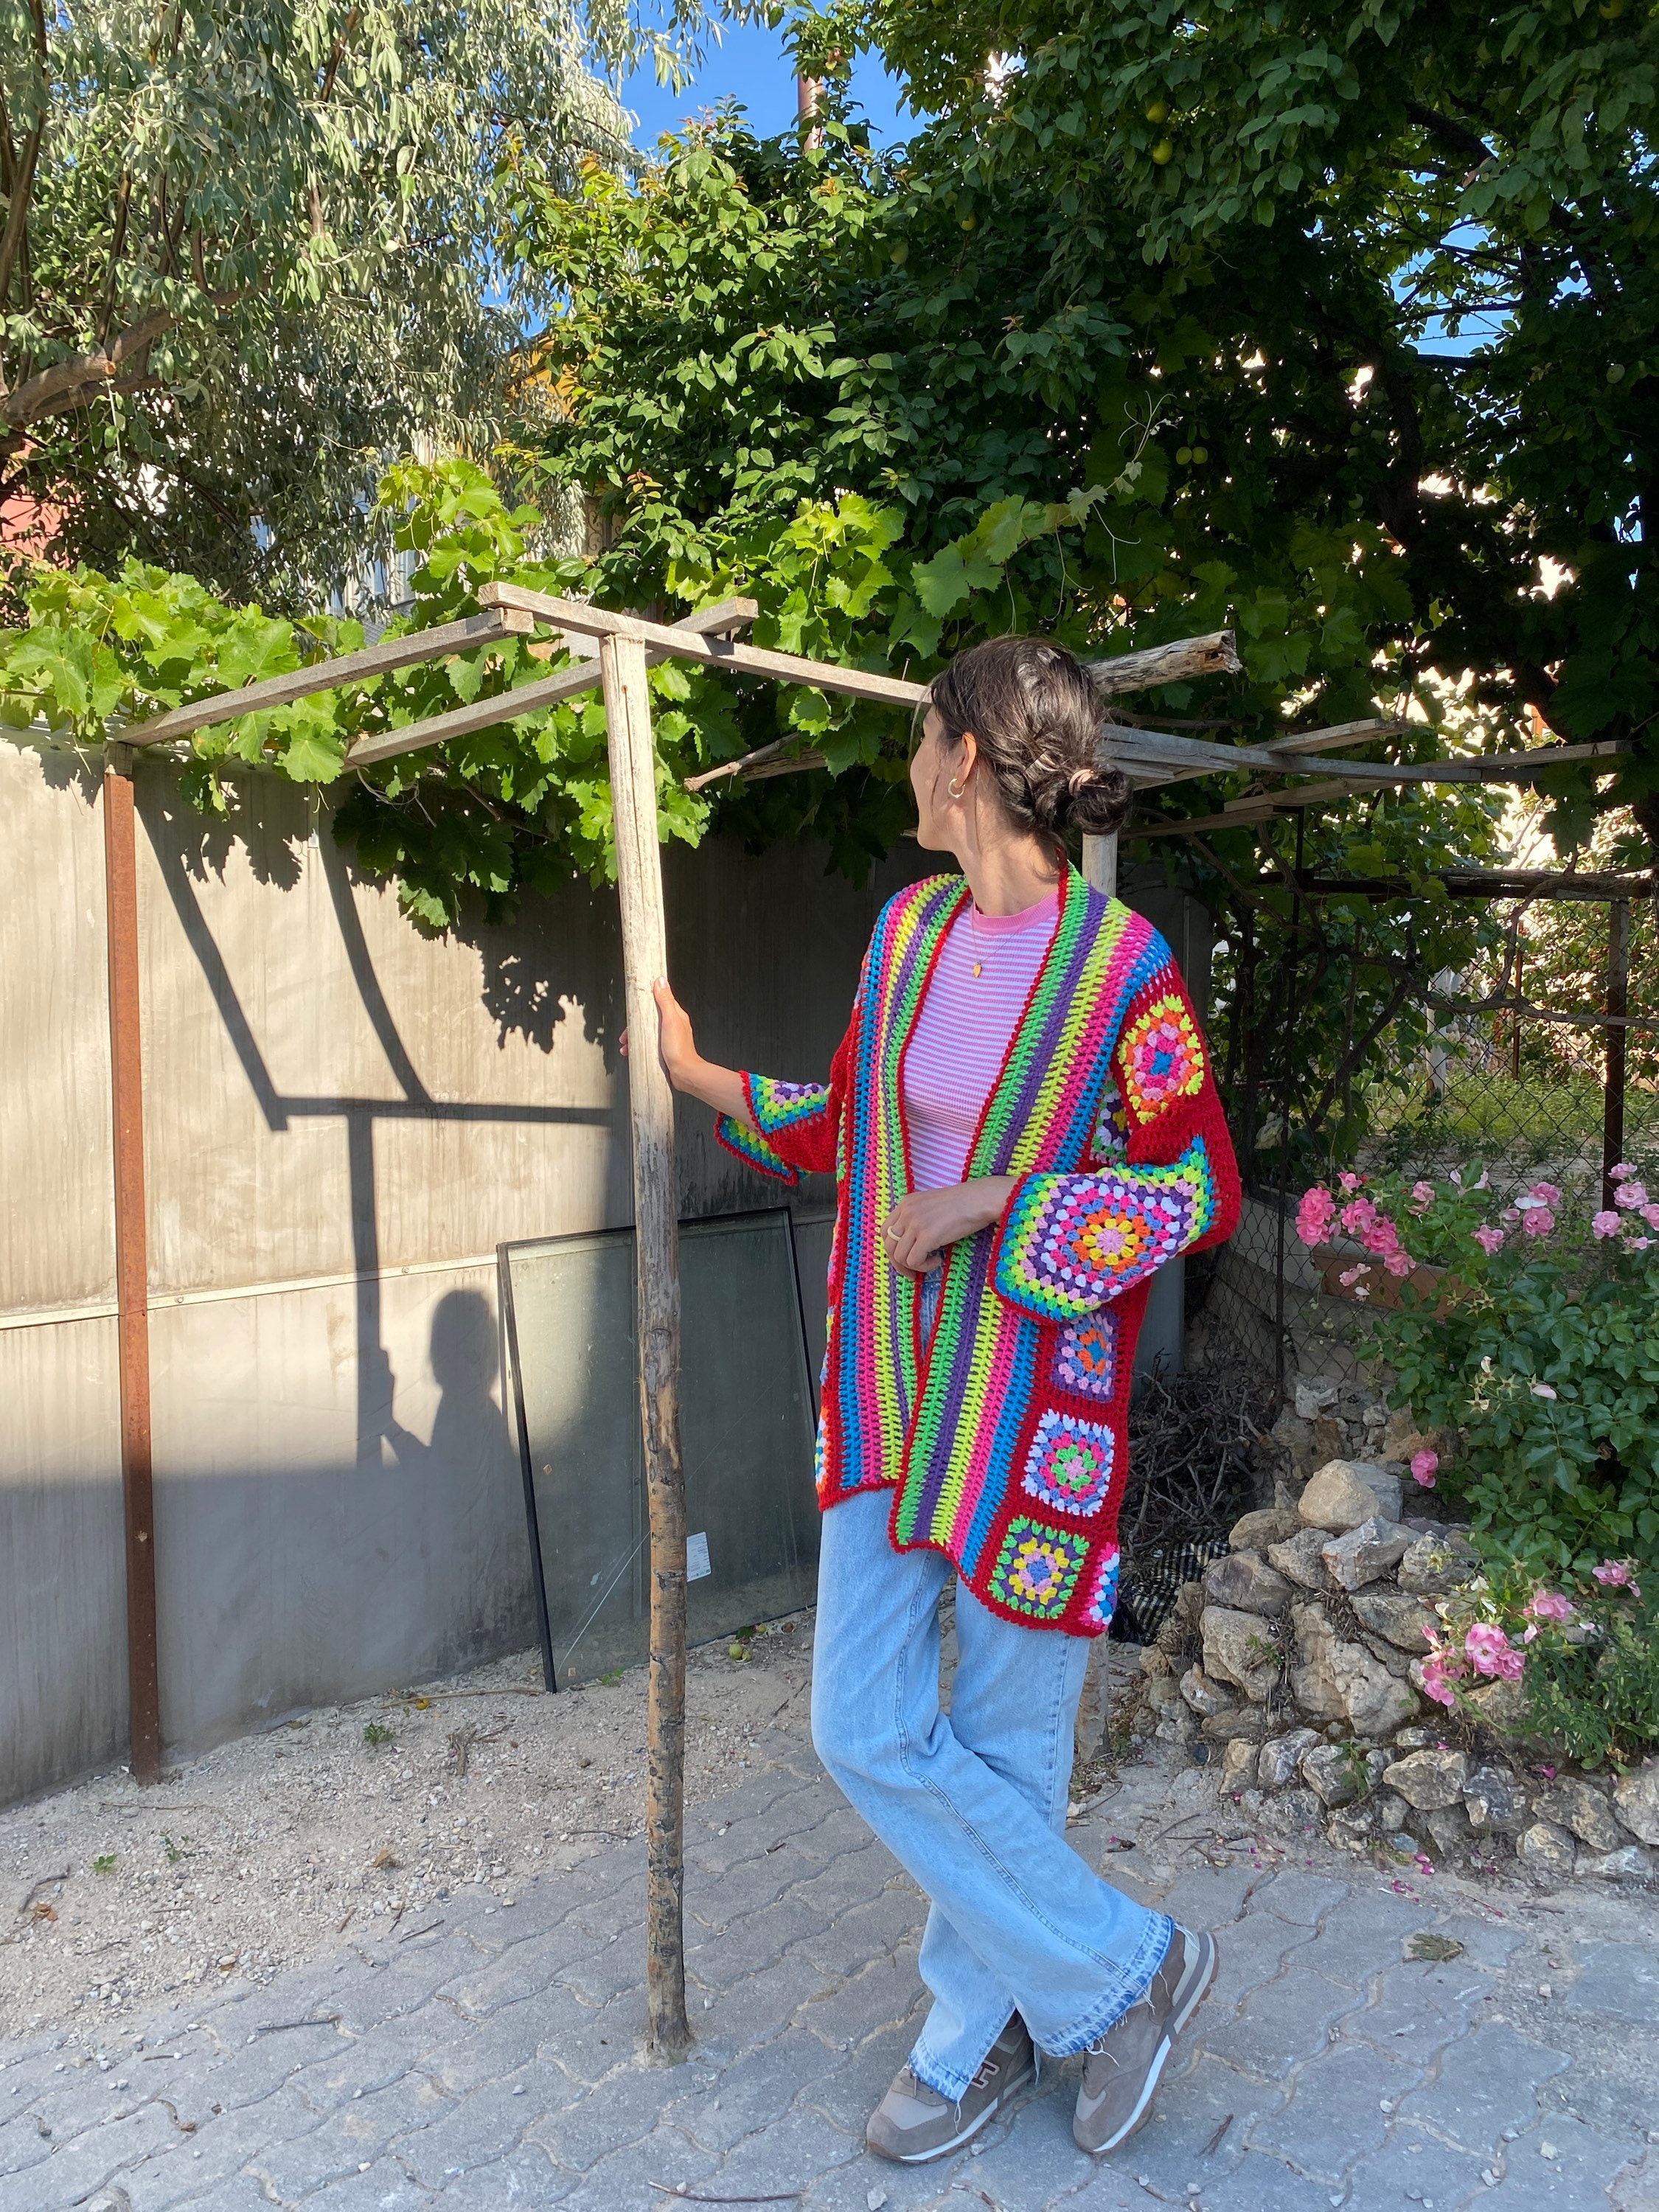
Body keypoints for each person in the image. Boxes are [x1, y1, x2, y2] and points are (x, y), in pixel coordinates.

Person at [631, 636, 1241, 2160]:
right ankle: (1127, 1968)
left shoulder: (1124, 969)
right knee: (862, 1725)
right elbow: (851, 1126)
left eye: (919, 738)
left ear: (965, 757)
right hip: (888, 1397)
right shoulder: (905, 936)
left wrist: (1000, 1203)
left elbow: (1196, 1188)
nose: (907, 765)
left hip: (1039, 1419)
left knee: (1012, 1748)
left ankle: (973, 2040)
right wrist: (701, 1079)